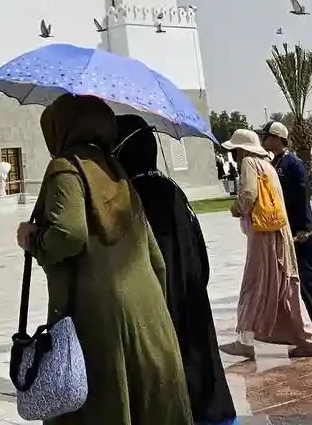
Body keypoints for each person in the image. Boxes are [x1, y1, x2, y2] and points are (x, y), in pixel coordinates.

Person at [16, 95, 188, 425]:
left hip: (97, 319)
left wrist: (32, 238)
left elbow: (69, 234)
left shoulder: (65, 168)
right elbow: (156, 258)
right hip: (148, 314)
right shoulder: (118, 172)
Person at [114, 115, 234, 424]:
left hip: (163, 312)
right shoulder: (172, 189)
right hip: (192, 301)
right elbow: (201, 255)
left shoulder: (134, 198)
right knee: (203, 381)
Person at [221, 127, 312, 358]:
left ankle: (245, 341)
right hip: (278, 233)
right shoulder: (268, 165)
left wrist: (236, 208)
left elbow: (248, 196)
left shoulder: (248, 164)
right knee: (285, 288)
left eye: (235, 150)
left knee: (253, 285)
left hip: (264, 236)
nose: (234, 156)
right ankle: (308, 341)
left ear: (241, 150)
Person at [260, 120, 312, 330]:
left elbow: (302, 196)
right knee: (300, 271)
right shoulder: (275, 163)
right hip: (286, 224)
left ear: (278, 138)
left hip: (301, 226)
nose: (264, 140)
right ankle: (311, 310)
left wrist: (305, 227)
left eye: (267, 136)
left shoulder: (293, 164)